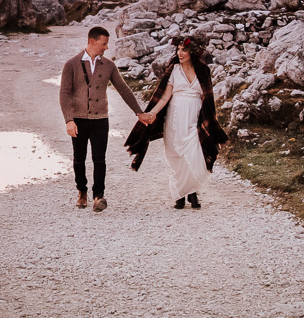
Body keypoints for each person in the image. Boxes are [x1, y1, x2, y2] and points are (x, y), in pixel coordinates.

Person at [125, 35, 228, 209]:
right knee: (177, 154)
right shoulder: (174, 70)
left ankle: (192, 192)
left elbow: (207, 98)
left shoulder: (203, 71)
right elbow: (165, 97)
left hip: (195, 116)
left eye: (184, 50)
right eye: (178, 49)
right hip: (176, 116)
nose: (180, 53)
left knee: (194, 153)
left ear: (193, 52)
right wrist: (151, 113)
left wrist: (208, 120)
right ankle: (180, 195)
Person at [58, 26, 153, 212]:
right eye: (104, 43)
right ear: (92, 41)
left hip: (100, 119)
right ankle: (82, 192)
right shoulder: (71, 64)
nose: (106, 47)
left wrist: (138, 112)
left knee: (99, 159)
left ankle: (98, 196)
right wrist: (69, 120)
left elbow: (123, 89)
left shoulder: (109, 65)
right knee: (79, 159)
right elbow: (64, 94)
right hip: (78, 119)